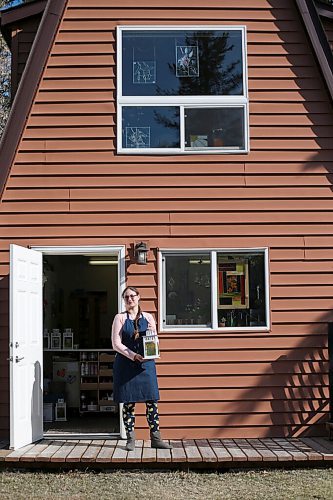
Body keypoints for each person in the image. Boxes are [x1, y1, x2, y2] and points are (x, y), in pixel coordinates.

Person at [111, 286, 172, 451]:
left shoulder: (148, 317)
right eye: (126, 297)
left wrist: (151, 353)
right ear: (124, 301)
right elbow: (116, 343)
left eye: (132, 296)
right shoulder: (120, 318)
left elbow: (154, 339)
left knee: (152, 401)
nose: (129, 299)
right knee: (128, 403)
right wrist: (133, 355)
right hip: (126, 364)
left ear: (138, 297)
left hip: (146, 365)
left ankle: (156, 438)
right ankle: (130, 439)